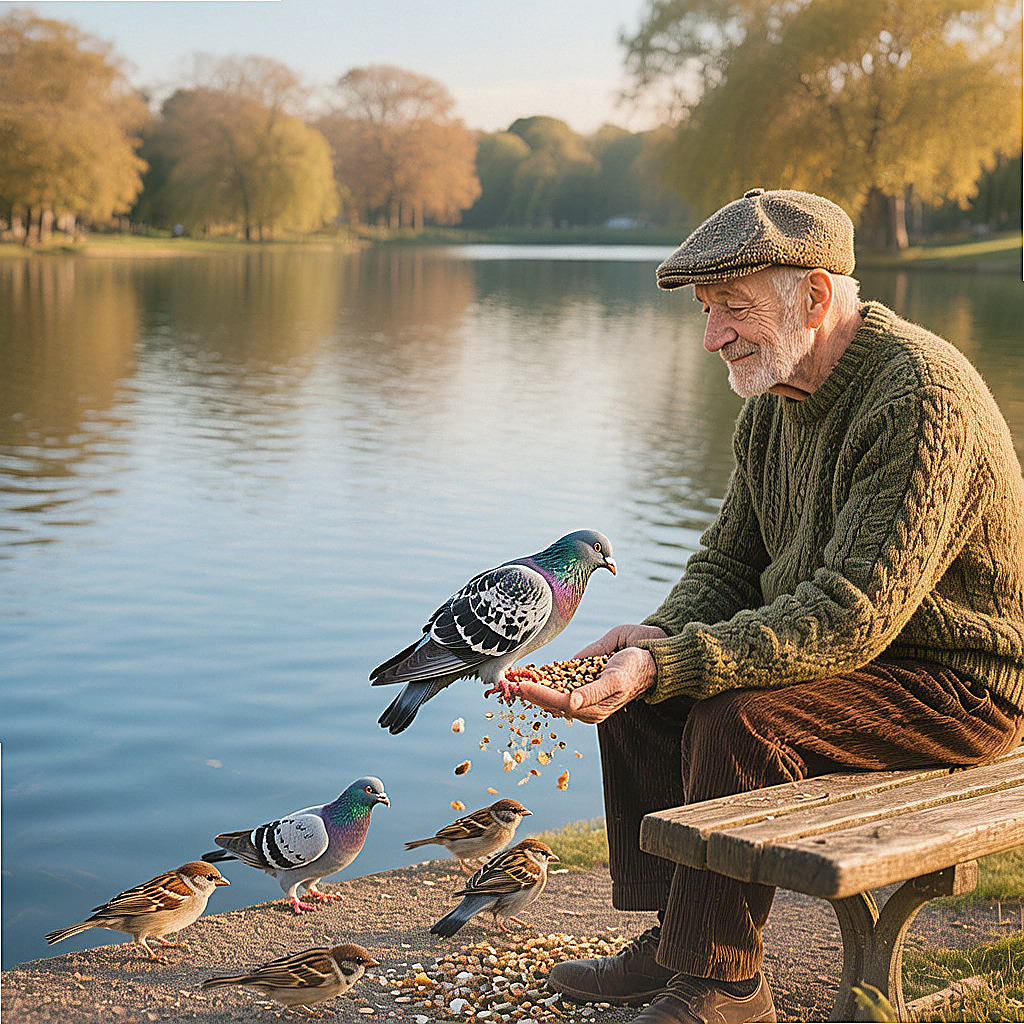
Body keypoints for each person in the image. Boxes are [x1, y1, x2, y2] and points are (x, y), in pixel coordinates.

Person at [518, 188, 1024, 1024]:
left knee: (738, 720)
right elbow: (730, 560)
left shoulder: (918, 399)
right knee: (647, 692)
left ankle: (725, 985)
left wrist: (674, 658)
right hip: (861, 661)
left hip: (956, 687)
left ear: (817, 297)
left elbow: (850, 611)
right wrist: (660, 637)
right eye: (709, 312)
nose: (714, 335)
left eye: (735, 310)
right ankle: (677, 942)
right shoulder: (773, 401)